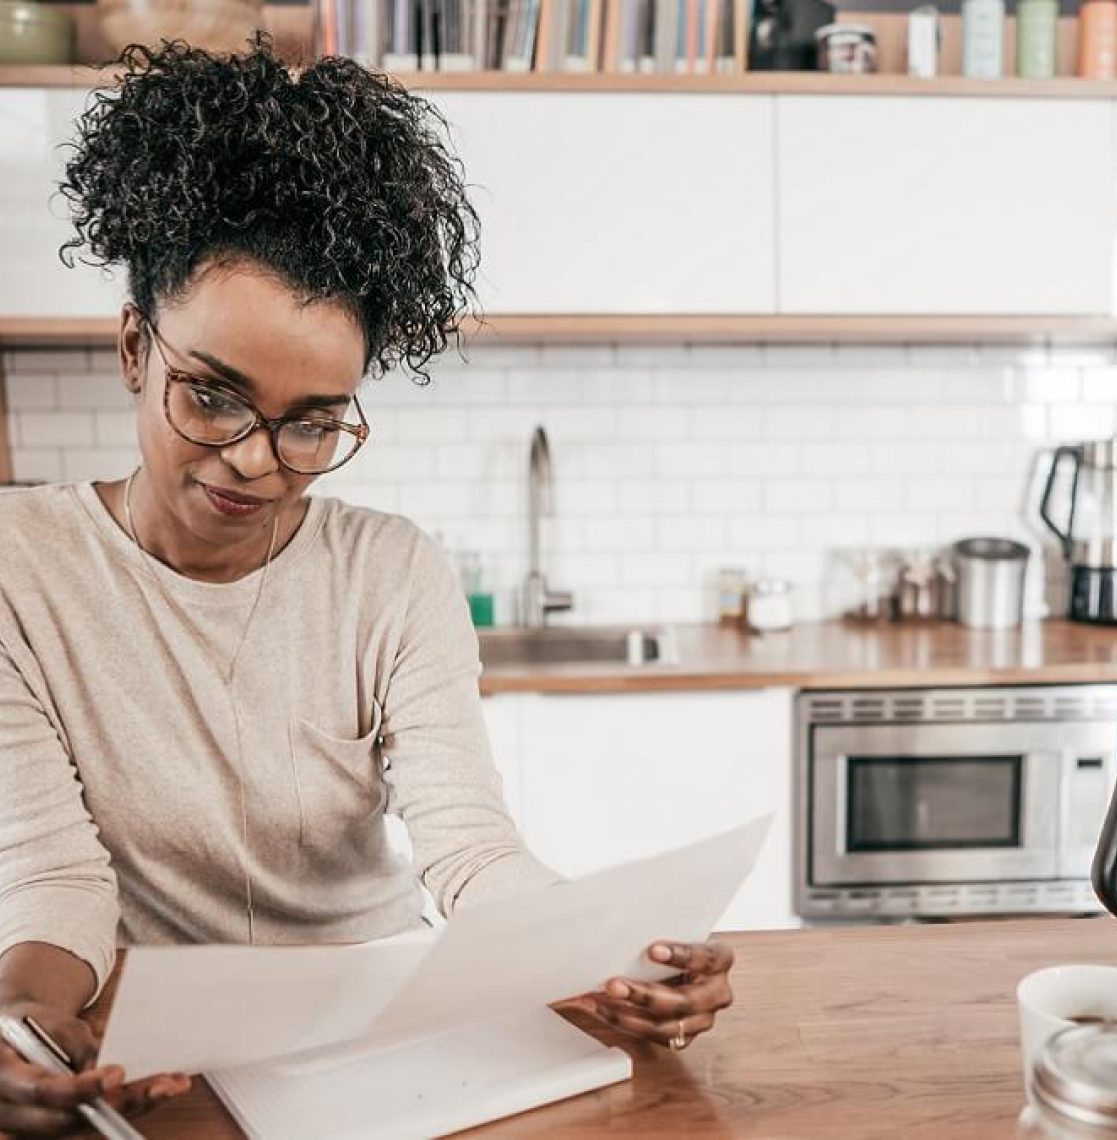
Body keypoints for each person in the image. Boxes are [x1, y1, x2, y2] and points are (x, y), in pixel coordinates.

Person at [0, 34, 735, 1135]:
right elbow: (52, 880)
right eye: (212, 397)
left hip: (388, 1037)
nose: (255, 458)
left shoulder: (390, 572)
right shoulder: (21, 567)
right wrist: (20, 1018)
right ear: (130, 349)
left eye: (311, 422)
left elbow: (469, 846)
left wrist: (612, 960)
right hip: (159, 1058)